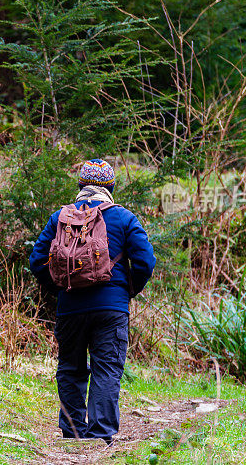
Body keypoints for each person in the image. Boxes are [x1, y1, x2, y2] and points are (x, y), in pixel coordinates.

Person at [29, 158, 156, 443]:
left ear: (80, 185)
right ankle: (99, 437)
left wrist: (62, 287)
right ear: (110, 187)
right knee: (106, 368)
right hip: (111, 308)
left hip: (70, 307)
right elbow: (146, 261)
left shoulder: (60, 218)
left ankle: (73, 432)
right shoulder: (124, 218)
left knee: (70, 368)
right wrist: (128, 290)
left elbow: (37, 261)